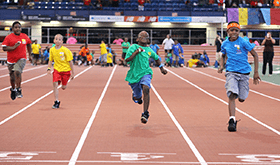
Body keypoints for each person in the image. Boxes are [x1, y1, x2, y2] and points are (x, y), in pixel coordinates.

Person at [218, 21, 261, 132]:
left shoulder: (243, 42)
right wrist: (221, 66)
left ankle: (240, 93)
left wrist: (256, 72)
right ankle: (232, 120)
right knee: (232, 95)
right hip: (231, 72)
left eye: (236, 30)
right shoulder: (225, 44)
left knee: (241, 98)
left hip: (244, 73)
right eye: (232, 30)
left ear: (239, 32)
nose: (234, 32)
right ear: (228, 31)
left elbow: (255, 55)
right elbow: (222, 55)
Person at [125, 31, 167, 124]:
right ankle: (137, 97)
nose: (144, 37)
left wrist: (161, 68)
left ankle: (145, 113)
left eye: (146, 36)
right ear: (138, 39)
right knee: (138, 97)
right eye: (142, 36)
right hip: (134, 74)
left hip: (146, 73)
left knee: (146, 88)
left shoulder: (149, 50)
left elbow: (156, 58)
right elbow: (127, 60)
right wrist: (136, 52)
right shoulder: (133, 47)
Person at [1, 21, 32, 100]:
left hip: (21, 58)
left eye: (19, 27)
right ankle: (13, 89)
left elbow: (29, 44)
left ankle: (19, 89)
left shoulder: (24, 36)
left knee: (17, 72)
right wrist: (13, 47)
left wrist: (30, 55)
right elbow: (4, 48)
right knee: (12, 77)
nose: (18, 29)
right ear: (13, 29)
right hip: (11, 60)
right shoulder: (9, 37)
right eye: (16, 27)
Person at [47, 34, 74, 109]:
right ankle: (56, 101)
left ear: (62, 41)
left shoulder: (65, 50)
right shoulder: (52, 50)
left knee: (64, 87)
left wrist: (73, 73)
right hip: (57, 70)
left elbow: (70, 62)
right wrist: (49, 68)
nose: (57, 41)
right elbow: (50, 60)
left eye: (59, 39)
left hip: (66, 70)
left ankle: (63, 83)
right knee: (55, 84)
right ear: (54, 40)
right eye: (56, 39)